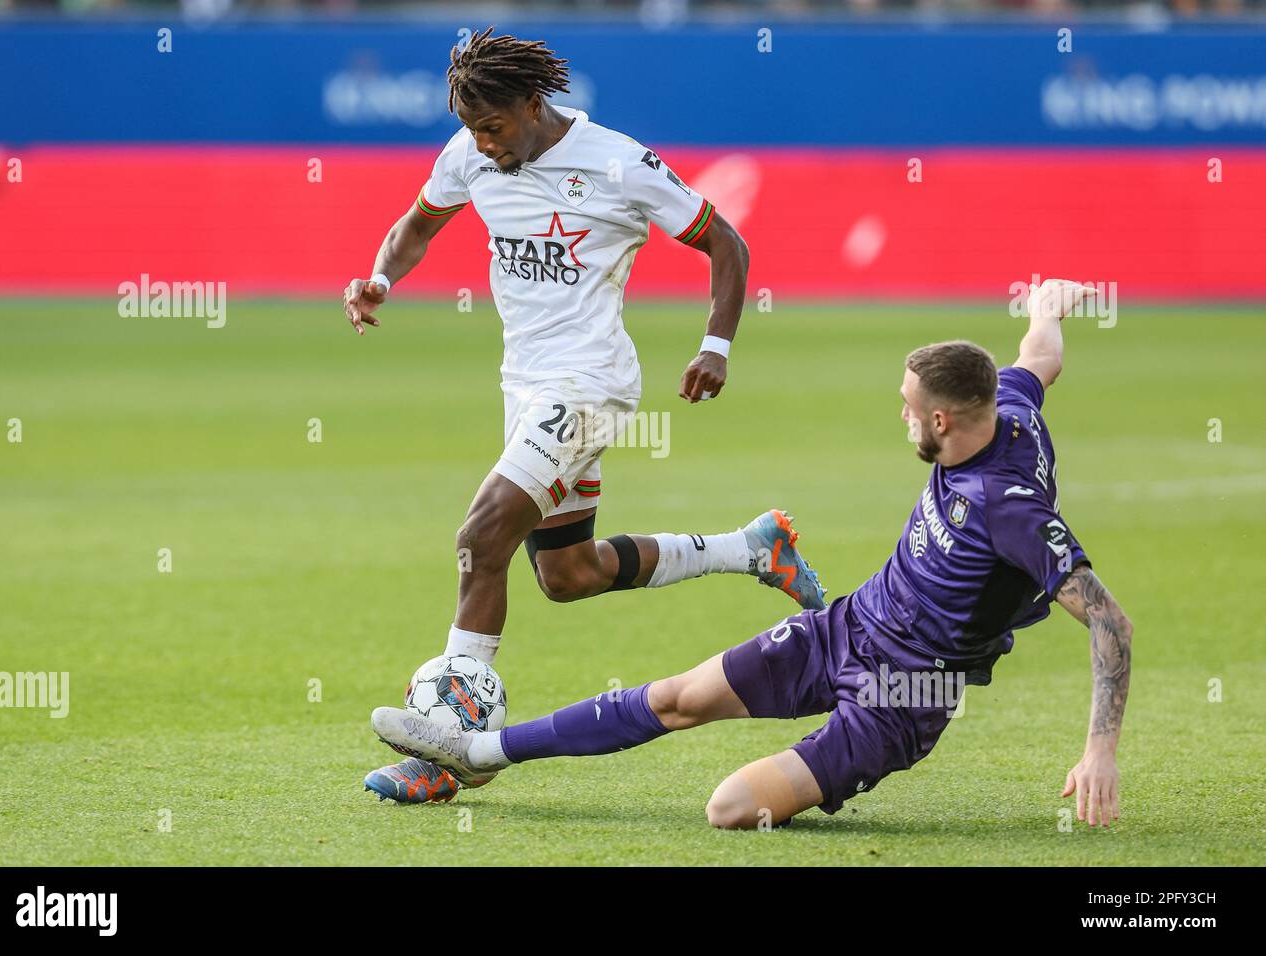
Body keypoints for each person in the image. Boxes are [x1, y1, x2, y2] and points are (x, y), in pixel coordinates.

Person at [371, 280, 1134, 829]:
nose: (901, 418)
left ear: (943, 417)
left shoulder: (1009, 510)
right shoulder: (1007, 402)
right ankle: (474, 750)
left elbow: (1110, 624)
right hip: (853, 624)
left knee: (730, 808)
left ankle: (823, 763)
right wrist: (1048, 302)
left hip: (906, 693)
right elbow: (1041, 355)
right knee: (677, 698)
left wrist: (1099, 751)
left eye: (908, 410)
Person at [345, 27, 826, 804]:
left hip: (591, 386)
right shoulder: (470, 151)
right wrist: (378, 279)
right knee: (566, 575)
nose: (483, 145)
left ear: (535, 104)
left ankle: (446, 753)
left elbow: (725, 243)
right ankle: (750, 548)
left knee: (481, 534)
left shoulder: (617, 163)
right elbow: (416, 227)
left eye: (495, 129)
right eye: (472, 131)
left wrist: (716, 346)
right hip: (525, 386)